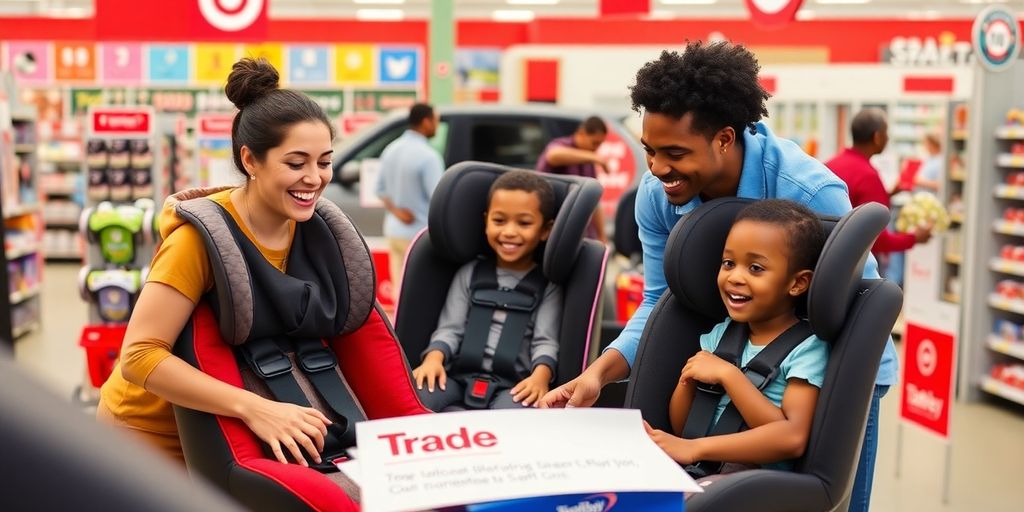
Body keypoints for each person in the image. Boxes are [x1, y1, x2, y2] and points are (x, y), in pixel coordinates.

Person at [538, 41, 897, 512]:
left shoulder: (808, 191)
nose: (658, 169)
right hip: (733, 352)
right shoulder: (657, 195)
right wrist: (598, 375)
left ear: (725, 139)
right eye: (649, 151)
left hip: (831, 368)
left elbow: (850, 308)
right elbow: (659, 300)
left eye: (674, 153)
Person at [98, 58, 341, 467]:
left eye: (325, 161)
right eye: (296, 164)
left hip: (235, 432)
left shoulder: (311, 231)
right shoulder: (200, 241)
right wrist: (254, 408)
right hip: (149, 436)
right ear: (250, 161)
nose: (314, 178)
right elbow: (140, 355)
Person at [645, 199, 828, 493]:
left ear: (797, 283)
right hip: (705, 467)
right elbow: (685, 429)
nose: (735, 277)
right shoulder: (721, 336)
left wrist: (729, 377)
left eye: (755, 268)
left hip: (755, 480)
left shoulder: (807, 349)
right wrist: (687, 383)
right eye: (728, 263)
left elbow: (791, 437)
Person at [411, 170, 563, 410]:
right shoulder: (469, 274)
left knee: (515, 420)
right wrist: (434, 359)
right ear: (486, 221)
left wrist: (540, 377)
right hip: (457, 378)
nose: (509, 232)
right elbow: (450, 329)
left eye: (523, 223)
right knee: (414, 397)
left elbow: (546, 342)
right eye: (499, 221)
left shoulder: (548, 285)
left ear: (545, 230)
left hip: (515, 385)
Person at [825, 109, 932, 282]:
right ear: (877, 137)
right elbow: (878, 240)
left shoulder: (830, 164)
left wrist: (888, 194)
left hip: (827, 260)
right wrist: (914, 238)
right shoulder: (868, 176)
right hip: (854, 269)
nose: (887, 138)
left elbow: (849, 204)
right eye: (886, 133)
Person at [376, 103, 445, 295]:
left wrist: (398, 212)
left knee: (400, 292)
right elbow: (438, 197)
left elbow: (379, 190)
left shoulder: (391, 149)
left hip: (394, 230)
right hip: (419, 234)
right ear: (425, 122)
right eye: (435, 121)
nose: (437, 127)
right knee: (420, 292)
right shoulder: (429, 156)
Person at [536, 116, 609, 243]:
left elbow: (594, 200)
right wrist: (594, 157)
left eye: (600, 144)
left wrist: (602, 236)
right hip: (553, 227)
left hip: (580, 230)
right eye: (594, 143)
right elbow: (553, 156)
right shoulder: (561, 145)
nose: (596, 148)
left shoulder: (588, 159)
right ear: (581, 134)